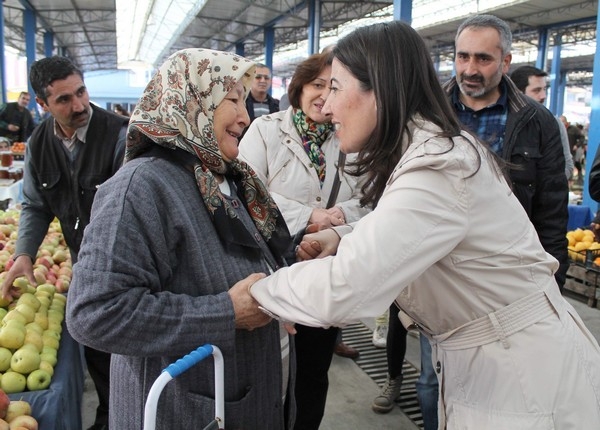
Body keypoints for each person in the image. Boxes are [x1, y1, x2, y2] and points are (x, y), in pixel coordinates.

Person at [244, 20, 600, 429]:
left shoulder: (438, 166)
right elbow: (419, 227)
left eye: (337, 88)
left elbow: (345, 286)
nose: (327, 106)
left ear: (380, 88)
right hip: (496, 360)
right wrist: (344, 234)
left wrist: (256, 293)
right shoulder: (431, 149)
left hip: (522, 377)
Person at [64, 48, 295, 430]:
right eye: (232, 99)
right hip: (182, 411)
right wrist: (227, 312)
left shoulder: (226, 177)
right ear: (191, 100)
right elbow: (95, 312)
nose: (245, 115)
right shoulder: (140, 187)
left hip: (245, 397)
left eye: (244, 99)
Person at [239, 51, 369, 430]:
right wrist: (309, 216)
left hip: (324, 270)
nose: (323, 96)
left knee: (313, 369)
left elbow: (373, 200)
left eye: (332, 87)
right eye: (316, 85)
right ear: (298, 88)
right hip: (272, 267)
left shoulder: (352, 136)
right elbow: (247, 190)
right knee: (270, 369)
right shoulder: (266, 130)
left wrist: (339, 219)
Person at [0, 56, 128, 430]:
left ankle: (125, 417)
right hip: (81, 262)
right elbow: (37, 205)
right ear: (42, 104)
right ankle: (110, 416)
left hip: (125, 264)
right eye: (64, 100)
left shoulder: (119, 135)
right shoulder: (39, 143)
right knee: (97, 349)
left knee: (125, 351)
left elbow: (133, 209)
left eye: (81, 92)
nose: (79, 105)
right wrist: (24, 253)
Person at [443, 15, 568, 290]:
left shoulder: (537, 121)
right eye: (463, 57)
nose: (470, 69)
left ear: (506, 62)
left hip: (508, 271)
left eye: (483, 59)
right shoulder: (430, 114)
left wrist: (553, 281)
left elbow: (552, 211)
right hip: (440, 272)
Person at [509, 65, 574, 179]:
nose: (543, 96)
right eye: (536, 90)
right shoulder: (502, 121)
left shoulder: (554, 124)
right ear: (517, 93)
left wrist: (545, 186)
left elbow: (567, 165)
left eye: (544, 89)